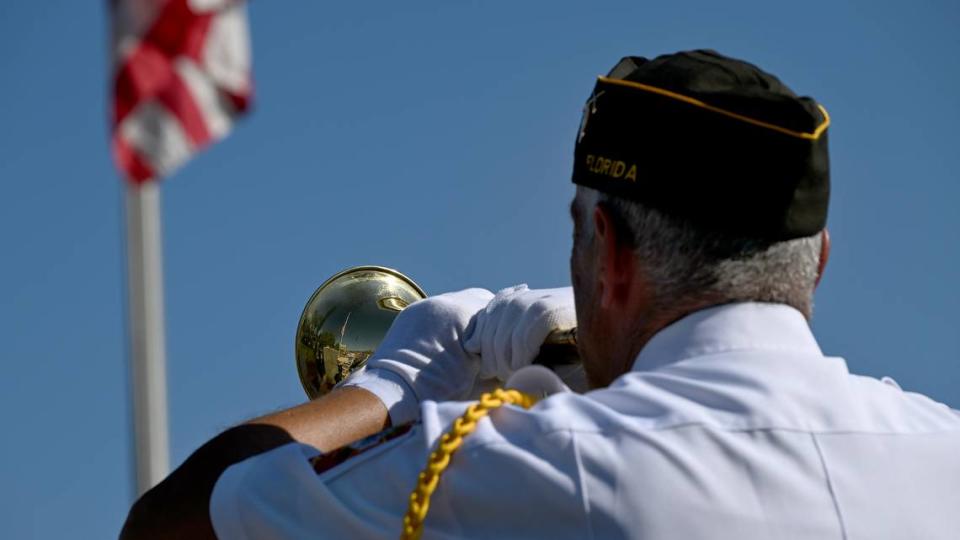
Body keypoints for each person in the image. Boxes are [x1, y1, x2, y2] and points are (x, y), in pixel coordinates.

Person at [121, 50, 960, 540]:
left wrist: (396, 383)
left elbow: (174, 529)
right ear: (816, 262)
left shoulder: (524, 465)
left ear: (609, 251)